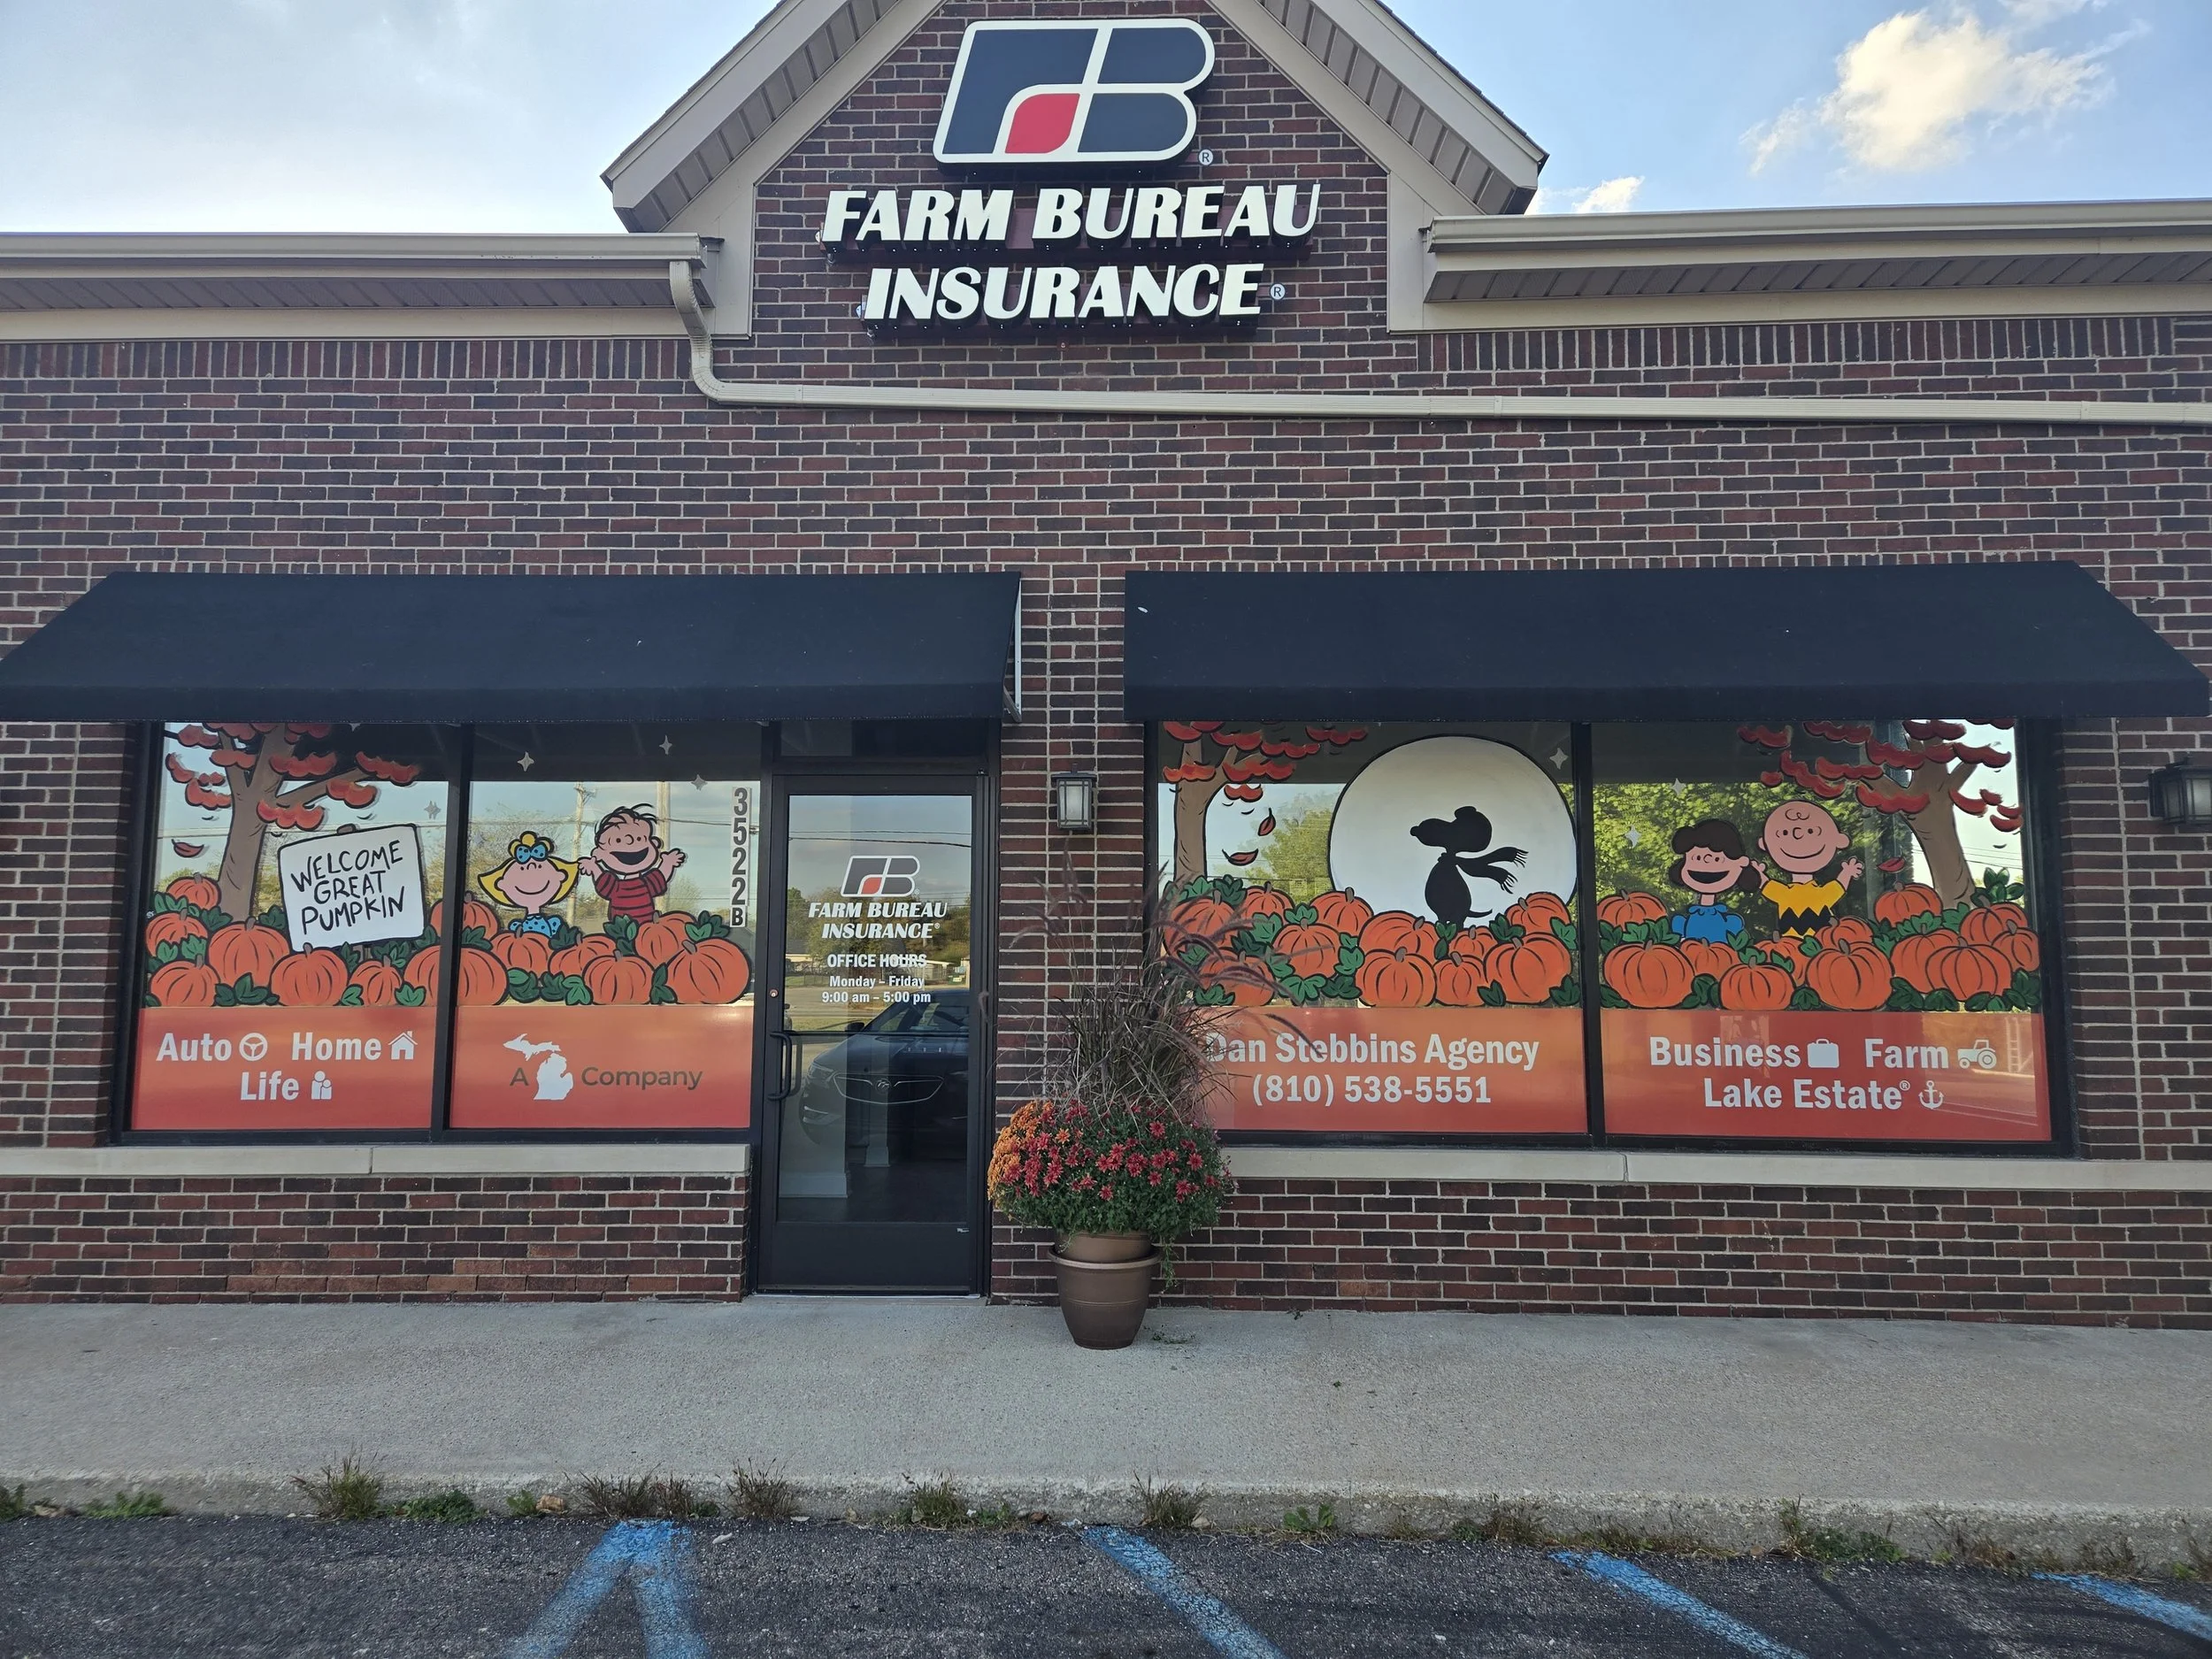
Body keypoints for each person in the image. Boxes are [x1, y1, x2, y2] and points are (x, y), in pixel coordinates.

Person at [1754, 800, 1863, 937]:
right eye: (1785, 833)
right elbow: (1765, 884)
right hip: (1791, 946)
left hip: (1822, 946)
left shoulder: (1818, 894)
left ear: (1838, 840)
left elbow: (1839, 887)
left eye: (1811, 831)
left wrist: (1848, 872)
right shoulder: (1786, 894)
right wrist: (1757, 873)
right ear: (1765, 844)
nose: (1798, 835)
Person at [578, 804, 686, 925]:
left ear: (653, 844)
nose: (629, 843)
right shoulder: (615, 887)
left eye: (639, 839)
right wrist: (593, 868)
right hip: (620, 932)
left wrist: (668, 863)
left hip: (646, 932)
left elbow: (660, 877)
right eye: (618, 841)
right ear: (600, 852)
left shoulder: (646, 884)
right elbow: (603, 882)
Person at [1666, 818, 1753, 945]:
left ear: (1741, 863)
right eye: (1697, 857)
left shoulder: (1730, 922)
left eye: (1717, 859)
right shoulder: (1685, 920)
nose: (1706, 862)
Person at [477, 831, 577, 938]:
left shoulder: (553, 923)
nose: (532, 870)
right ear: (502, 884)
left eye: (539, 868)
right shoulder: (518, 927)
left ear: (560, 876)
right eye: (522, 869)